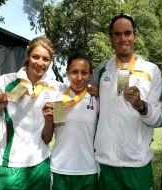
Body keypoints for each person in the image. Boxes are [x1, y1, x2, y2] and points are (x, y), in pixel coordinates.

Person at [90, 13, 162, 190]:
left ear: (135, 36)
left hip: (137, 164)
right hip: (105, 163)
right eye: (117, 34)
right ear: (111, 38)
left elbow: (159, 118)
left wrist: (141, 105)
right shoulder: (102, 70)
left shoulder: (151, 70)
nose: (123, 38)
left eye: (128, 33)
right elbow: (91, 107)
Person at [0, 36, 63, 190]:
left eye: (45, 59)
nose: (40, 63)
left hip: (41, 166)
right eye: (35, 57)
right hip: (8, 166)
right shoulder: (5, 82)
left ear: (51, 62)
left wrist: (50, 120)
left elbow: (56, 126)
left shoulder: (57, 89)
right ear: (27, 55)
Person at [42, 53, 99, 190]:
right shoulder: (59, 99)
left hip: (88, 170)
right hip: (60, 169)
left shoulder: (96, 98)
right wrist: (48, 121)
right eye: (74, 72)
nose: (79, 78)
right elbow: (47, 139)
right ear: (67, 72)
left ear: (90, 74)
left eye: (84, 73)